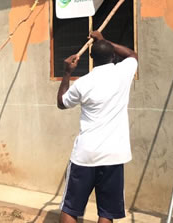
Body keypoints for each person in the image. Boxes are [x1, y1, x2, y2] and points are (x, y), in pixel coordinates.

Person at [57, 31, 138, 223]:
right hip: (114, 155)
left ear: (91, 59)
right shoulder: (123, 73)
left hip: (86, 155)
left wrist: (67, 72)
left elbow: (62, 102)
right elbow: (132, 55)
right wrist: (103, 39)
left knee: (71, 208)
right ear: (112, 57)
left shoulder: (83, 83)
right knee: (107, 212)